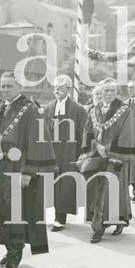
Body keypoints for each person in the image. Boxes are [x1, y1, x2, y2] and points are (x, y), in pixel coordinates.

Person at [0, 72, 57, 268]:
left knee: (16, 213)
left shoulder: (30, 110)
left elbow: (37, 141)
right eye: (2, 86)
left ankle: (15, 253)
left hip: (16, 168)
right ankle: (8, 248)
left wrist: (28, 171)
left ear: (20, 87)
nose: (5, 90)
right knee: (0, 212)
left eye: (9, 86)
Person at [82, 78, 135, 243]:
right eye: (106, 91)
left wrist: (107, 150)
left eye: (112, 91)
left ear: (116, 93)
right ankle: (107, 221)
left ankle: (100, 228)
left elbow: (127, 134)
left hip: (116, 157)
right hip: (96, 156)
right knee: (95, 190)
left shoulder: (124, 110)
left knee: (111, 190)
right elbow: (87, 131)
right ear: (100, 93)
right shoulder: (94, 110)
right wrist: (95, 146)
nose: (109, 94)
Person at [43, 75, 87, 232]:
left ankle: (60, 218)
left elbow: (85, 133)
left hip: (69, 153)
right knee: (50, 184)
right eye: (55, 88)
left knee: (65, 185)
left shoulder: (78, 109)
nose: (57, 90)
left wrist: (83, 153)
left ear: (68, 89)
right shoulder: (48, 108)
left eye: (60, 88)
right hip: (51, 153)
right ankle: (53, 215)